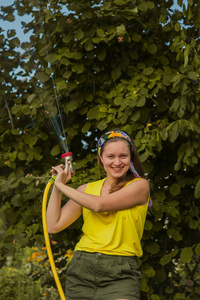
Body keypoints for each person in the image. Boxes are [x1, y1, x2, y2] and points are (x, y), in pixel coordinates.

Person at [47, 129, 150, 300]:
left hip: (121, 271)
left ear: (131, 158)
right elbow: (53, 225)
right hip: (82, 267)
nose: (117, 162)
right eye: (111, 156)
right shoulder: (86, 190)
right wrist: (58, 187)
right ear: (101, 158)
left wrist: (62, 186)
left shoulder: (139, 186)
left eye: (123, 156)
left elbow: (99, 205)